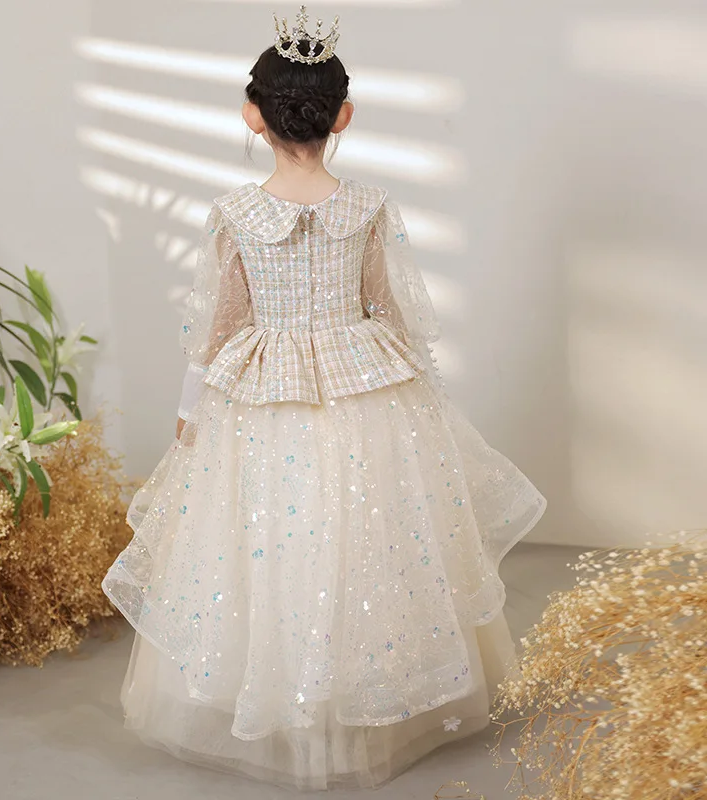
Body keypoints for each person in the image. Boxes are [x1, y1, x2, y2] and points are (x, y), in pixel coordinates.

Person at [102, 5, 546, 790]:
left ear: (253, 115)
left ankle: (286, 695)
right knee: (366, 539)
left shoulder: (235, 213)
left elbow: (218, 326)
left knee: (269, 541)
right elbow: (391, 310)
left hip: (262, 391)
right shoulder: (367, 205)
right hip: (362, 382)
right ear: (344, 115)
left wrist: (191, 408)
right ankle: (361, 693)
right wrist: (419, 396)